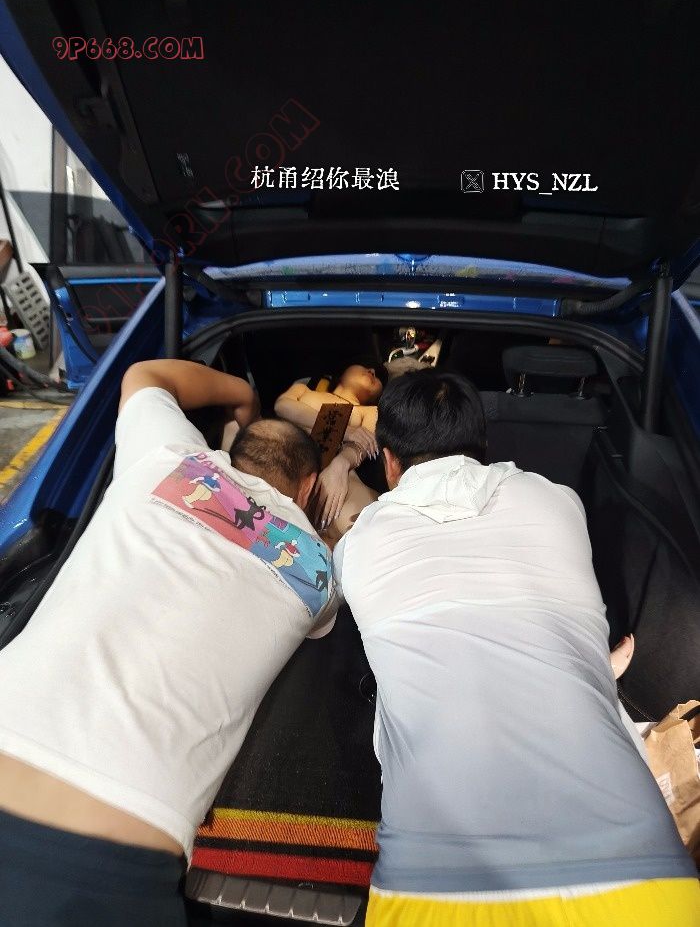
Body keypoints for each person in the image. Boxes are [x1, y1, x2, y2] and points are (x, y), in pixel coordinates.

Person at [333, 370, 700, 927]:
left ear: (388, 461)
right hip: (646, 881)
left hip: (435, 888)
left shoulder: (360, 546)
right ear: (482, 444)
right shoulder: (557, 501)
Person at [0, 359, 338, 927]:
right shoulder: (318, 571)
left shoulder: (170, 458)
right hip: (111, 863)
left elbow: (143, 375)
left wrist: (243, 397)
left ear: (231, 453)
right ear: (308, 488)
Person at [275, 364, 385, 540]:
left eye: (379, 377)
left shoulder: (370, 411)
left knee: (371, 530)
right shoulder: (303, 390)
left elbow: (366, 444)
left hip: (336, 477)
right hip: (285, 461)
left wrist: (340, 465)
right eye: (365, 365)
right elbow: (282, 406)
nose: (372, 371)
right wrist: (344, 429)